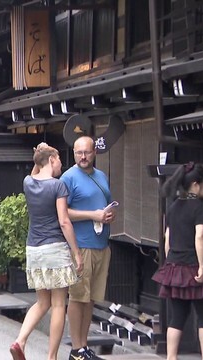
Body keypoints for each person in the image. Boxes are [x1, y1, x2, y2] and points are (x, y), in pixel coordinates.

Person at [10, 143, 83, 360]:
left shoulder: (28, 182)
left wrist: (40, 153)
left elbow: (35, 170)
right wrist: (76, 252)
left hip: (34, 250)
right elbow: (64, 221)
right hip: (55, 249)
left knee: (42, 302)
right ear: (51, 160)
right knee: (59, 303)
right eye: (59, 159)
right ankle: (51, 357)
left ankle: (20, 340)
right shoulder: (58, 186)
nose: (61, 163)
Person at [152, 162, 203, 360]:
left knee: (176, 318)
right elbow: (200, 237)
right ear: (196, 185)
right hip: (194, 267)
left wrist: (168, 263)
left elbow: (167, 238)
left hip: (174, 268)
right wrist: (202, 267)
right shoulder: (200, 208)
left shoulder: (173, 207)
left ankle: (171, 358)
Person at [61, 136, 117, 360]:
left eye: (87, 152)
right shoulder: (68, 178)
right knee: (77, 296)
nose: (83, 157)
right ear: (74, 153)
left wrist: (109, 214)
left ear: (95, 152)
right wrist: (92, 215)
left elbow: (106, 205)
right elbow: (63, 213)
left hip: (101, 243)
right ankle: (76, 349)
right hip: (80, 245)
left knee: (91, 297)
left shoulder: (101, 176)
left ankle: (84, 346)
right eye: (78, 153)